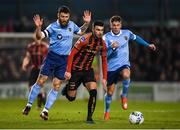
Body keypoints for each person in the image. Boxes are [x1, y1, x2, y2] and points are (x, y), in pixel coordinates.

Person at [22, 5, 91, 120]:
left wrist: (87, 23)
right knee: (41, 81)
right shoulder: (52, 27)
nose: (64, 19)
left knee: (56, 85)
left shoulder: (72, 25)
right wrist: (38, 28)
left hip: (64, 60)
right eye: (62, 16)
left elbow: (81, 31)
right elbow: (40, 36)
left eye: (66, 17)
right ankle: (29, 105)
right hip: (51, 58)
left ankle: (45, 111)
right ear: (58, 15)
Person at [103, 15, 156, 120]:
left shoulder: (127, 33)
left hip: (123, 64)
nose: (116, 27)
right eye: (114, 25)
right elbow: (104, 55)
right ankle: (107, 112)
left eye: (118, 25)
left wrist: (147, 44)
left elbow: (137, 38)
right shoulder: (106, 37)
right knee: (109, 92)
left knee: (127, 74)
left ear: (120, 25)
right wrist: (111, 48)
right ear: (110, 26)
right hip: (111, 68)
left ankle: (124, 95)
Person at [62, 21, 107, 124]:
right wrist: (68, 71)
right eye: (98, 30)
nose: (100, 32)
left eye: (102, 30)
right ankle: (69, 88)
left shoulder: (102, 44)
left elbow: (104, 60)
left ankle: (89, 118)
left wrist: (104, 78)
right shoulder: (84, 39)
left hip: (87, 71)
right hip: (75, 70)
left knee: (93, 91)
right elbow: (71, 54)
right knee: (71, 98)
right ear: (93, 29)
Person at [22, 36, 48, 110]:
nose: (38, 40)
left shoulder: (45, 47)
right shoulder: (30, 47)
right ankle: (42, 95)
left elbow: (49, 58)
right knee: (31, 87)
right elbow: (27, 57)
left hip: (42, 69)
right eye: (36, 38)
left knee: (40, 85)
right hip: (34, 69)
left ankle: (39, 104)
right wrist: (24, 64)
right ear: (34, 38)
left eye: (39, 38)